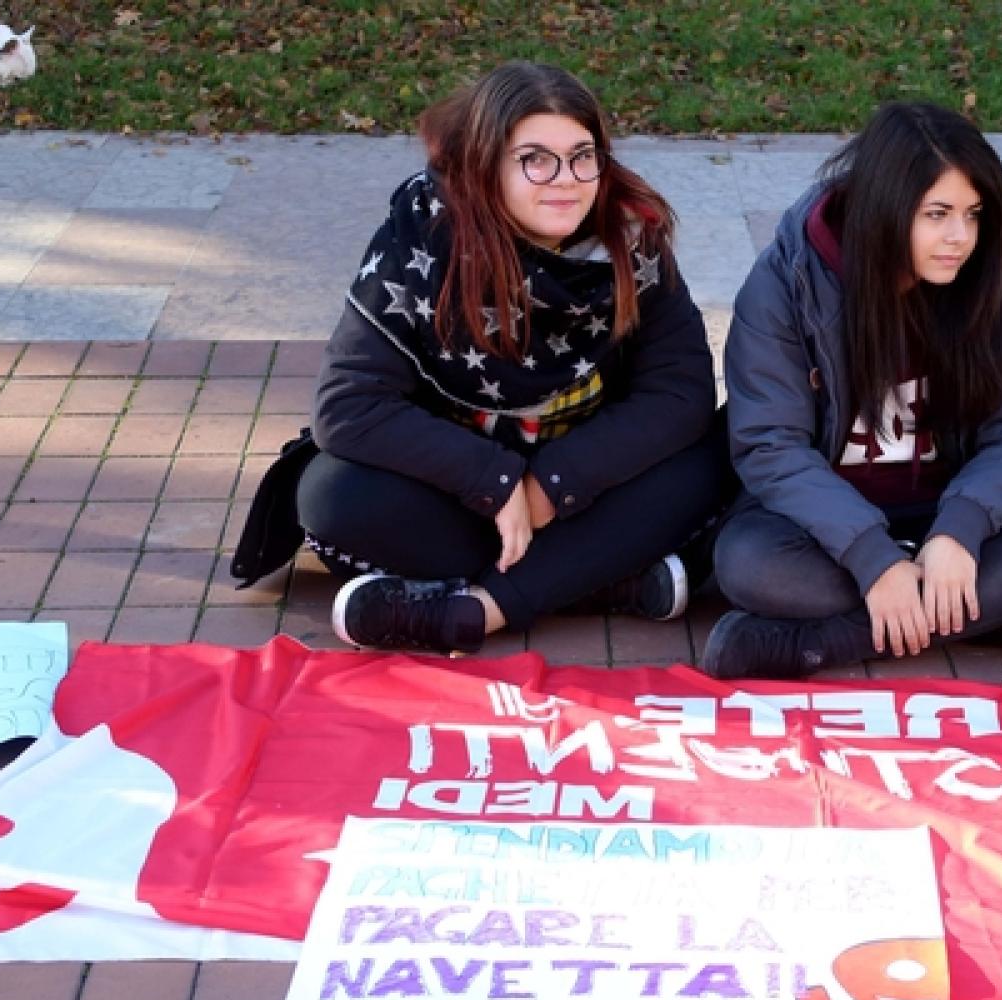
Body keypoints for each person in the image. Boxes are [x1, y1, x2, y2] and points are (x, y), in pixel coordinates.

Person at [299, 62, 727, 654]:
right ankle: (602, 580)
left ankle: (476, 612)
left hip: (585, 489)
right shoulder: (422, 238)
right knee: (332, 495)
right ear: (486, 163)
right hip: (462, 494)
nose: (567, 180)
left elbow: (680, 397)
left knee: (717, 458)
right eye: (534, 159)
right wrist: (496, 483)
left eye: (583, 155)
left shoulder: (632, 238)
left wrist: (551, 486)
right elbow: (349, 407)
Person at [702, 102, 1002, 680]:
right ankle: (994, 615)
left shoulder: (987, 280)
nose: (961, 238)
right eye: (937, 214)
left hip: (944, 505)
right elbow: (769, 446)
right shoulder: (788, 282)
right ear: (885, 209)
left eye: (974, 214)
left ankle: (815, 645)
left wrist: (960, 530)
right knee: (748, 564)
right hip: (823, 521)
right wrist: (872, 559)